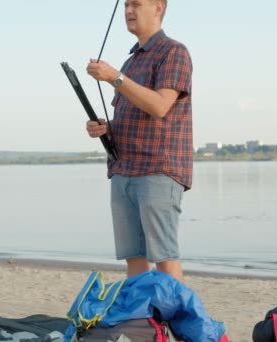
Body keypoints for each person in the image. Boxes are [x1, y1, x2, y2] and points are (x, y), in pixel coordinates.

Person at [85, 0, 192, 282]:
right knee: (134, 257)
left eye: (136, 4)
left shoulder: (174, 52)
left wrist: (114, 77)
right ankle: (141, 324)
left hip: (158, 169)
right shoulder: (131, 61)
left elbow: (159, 106)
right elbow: (131, 115)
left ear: (158, 7)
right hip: (123, 170)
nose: (129, 11)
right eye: (126, 5)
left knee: (164, 258)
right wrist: (105, 128)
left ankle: (178, 325)